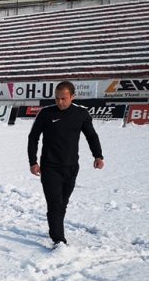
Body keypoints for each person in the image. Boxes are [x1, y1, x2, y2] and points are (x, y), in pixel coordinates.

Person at [27, 81, 104, 247]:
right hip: (49, 167)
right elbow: (33, 137)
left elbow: (91, 136)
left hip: (71, 167)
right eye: (57, 98)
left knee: (62, 203)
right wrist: (33, 161)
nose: (59, 102)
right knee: (54, 204)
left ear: (72, 97)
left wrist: (98, 155)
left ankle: (55, 230)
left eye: (63, 98)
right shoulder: (46, 113)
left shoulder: (81, 113)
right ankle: (58, 239)